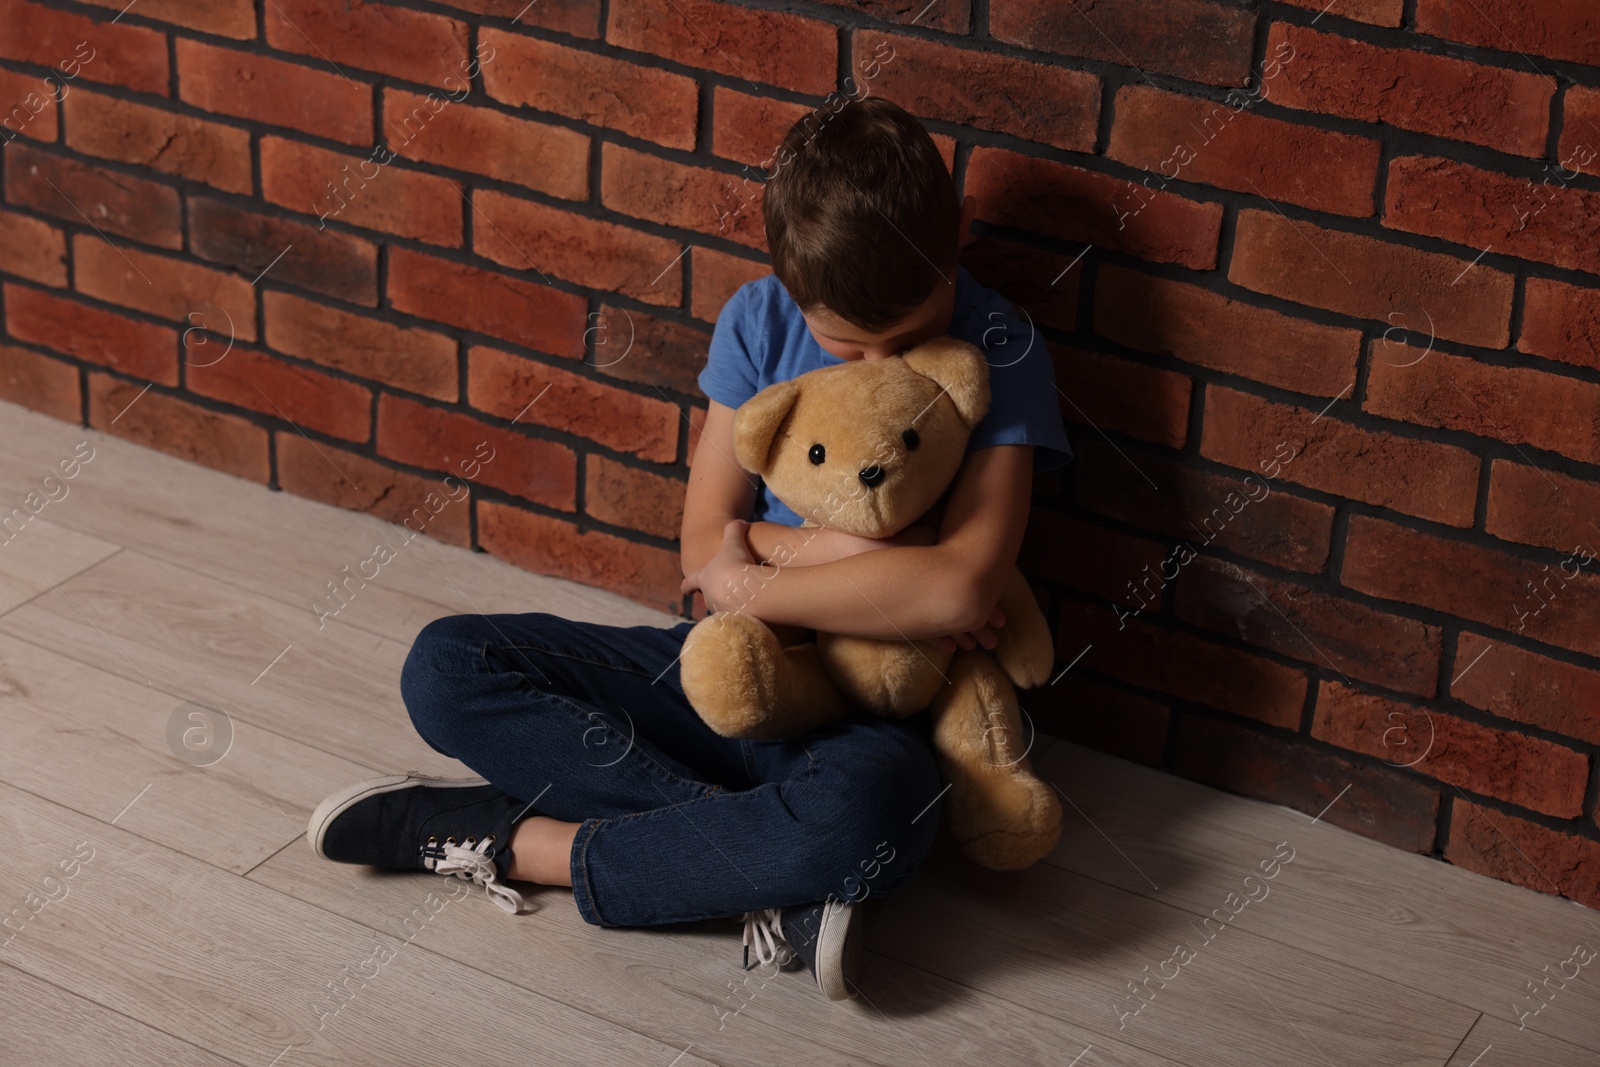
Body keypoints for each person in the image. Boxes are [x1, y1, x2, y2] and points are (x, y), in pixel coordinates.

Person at [304, 96, 1073, 1003]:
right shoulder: (756, 321)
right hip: (728, 673)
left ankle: (520, 841)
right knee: (445, 666)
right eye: (842, 343)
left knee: (868, 822)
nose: (878, 370)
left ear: (962, 236)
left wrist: (753, 574)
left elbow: (954, 589)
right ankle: (759, 865)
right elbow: (703, 545)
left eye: (906, 338)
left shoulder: (999, 343)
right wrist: (866, 562)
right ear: (788, 285)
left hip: (881, 717)